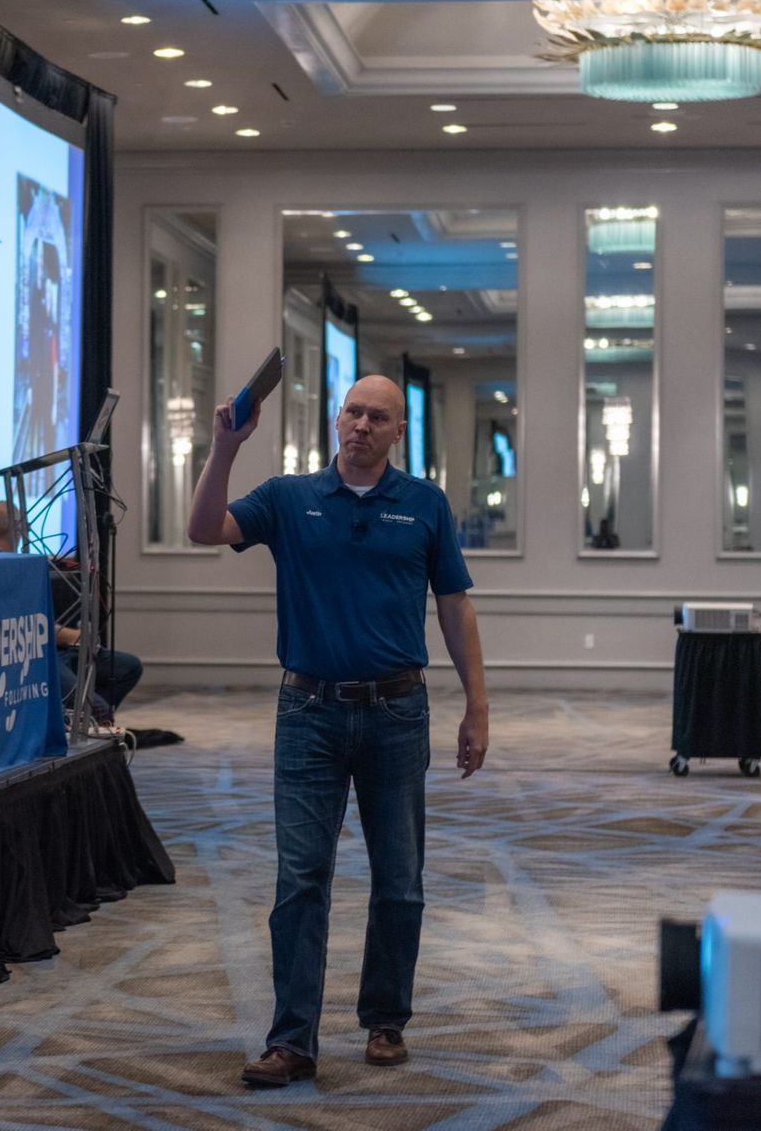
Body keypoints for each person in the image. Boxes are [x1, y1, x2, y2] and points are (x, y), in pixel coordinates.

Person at [187, 375, 490, 1088]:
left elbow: (455, 607)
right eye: (352, 412)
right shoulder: (290, 499)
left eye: (376, 417)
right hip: (308, 714)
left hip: (397, 713)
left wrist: (478, 705)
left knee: (399, 880)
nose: (361, 425)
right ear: (335, 419)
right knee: (300, 880)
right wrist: (224, 447)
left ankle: (386, 1020)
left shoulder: (424, 506)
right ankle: (292, 1039)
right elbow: (205, 529)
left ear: (396, 432)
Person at [0, 499, 143, 719]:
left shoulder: (2, 563)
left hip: (55, 648)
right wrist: (73, 636)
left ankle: (74, 719)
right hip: (37, 656)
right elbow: (25, 627)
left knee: (127, 667)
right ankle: (86, 718)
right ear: (18, 528)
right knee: (99, 708)